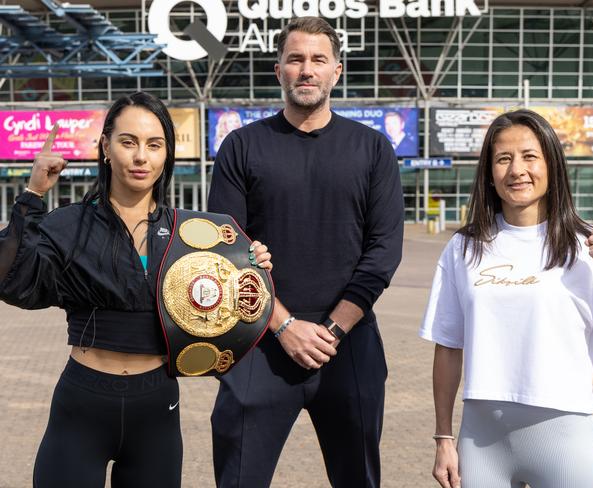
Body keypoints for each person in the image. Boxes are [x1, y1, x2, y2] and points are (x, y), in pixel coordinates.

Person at [0, 91, 272, 488]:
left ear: (167, 155)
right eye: (128, 142)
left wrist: (253, 267)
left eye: (154, 144)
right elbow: (12, 280)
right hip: (82, 404)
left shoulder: (195, 235)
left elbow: (230, 309)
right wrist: (33, 196)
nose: (141, 156)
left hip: (157, 406)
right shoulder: (68, 224)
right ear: (106, 148)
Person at [208, 16, 404, 488]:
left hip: (349, 343)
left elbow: (382, 253)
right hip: (259, 339)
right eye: (296, 59)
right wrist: (286, 326)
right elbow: (224, 253)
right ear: (279, 71)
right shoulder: (241, 147)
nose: (307, 69)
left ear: (337, 71)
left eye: (318, 59)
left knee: (358, 478)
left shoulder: (373, 149)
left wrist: (331, 329)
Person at [419, 109, 593, 488]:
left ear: (551, 165)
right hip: (482, 443)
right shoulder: (464, 248)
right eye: (503, 159)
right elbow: (448, 347)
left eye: (529, 156)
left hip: (565, 444)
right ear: (489, 173)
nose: (517, 170)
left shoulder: (587, 247)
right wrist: (443, 437)